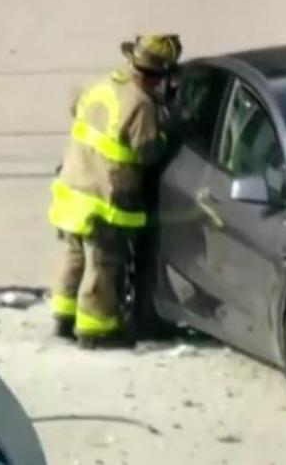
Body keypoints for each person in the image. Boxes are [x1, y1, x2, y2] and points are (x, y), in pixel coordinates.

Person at [47, 33, 183, 348]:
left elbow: (74, 102)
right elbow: (149, 149)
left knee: (74, 257)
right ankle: (97, 330)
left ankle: (64, 319)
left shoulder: (102, 86)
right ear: (158, 76)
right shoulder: (141, 105)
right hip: (102, 199)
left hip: (72, 190)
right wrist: (169, 131)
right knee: (103, 265)